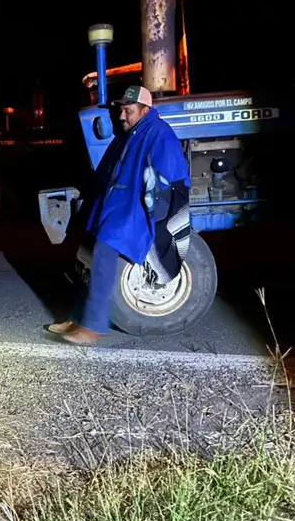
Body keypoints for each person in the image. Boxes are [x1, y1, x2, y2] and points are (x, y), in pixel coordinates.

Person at [47, 85, 192, 345]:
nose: (122, 116)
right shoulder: (130, 132)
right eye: (121, 110)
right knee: (87, 252)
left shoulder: (159, 133)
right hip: (115, 203)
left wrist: (154, 219)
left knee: (104, 251)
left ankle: (93, 327)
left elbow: (169, 179)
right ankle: (78, 318)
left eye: (128, 110)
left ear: (145, 110)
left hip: (133, 208)